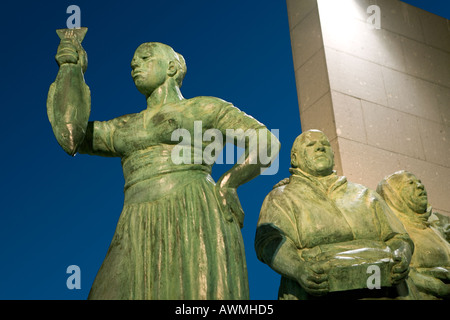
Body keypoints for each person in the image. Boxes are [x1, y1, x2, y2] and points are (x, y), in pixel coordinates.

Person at [47, 33, 280, 299]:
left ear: (171, 67)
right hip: (134, 220)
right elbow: (70, 137)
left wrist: (231, 181)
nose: (135, 65)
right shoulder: (123, 127)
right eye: (133, 62)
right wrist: (71, 67)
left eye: (145, 58)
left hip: (194, 210)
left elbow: (265, 142)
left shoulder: (204, 108)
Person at [255, 130, 415, 300]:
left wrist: (401, 256)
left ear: (332, 153)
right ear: (295, 158)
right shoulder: (282, 196)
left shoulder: (365, 194)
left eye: (325, 145)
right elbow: (270, 242)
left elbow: (399, 238)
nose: (320, 148)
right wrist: (298, 269)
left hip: (381, 289)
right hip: (318, 290)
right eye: (311, 145)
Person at [377, 171, 450, 299]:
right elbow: (390, 273)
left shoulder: (435, 228)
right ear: (394, 195)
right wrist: (431, 284)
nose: (420, 186)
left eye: (419, 182)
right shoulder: (393, 232)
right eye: (410, 183)